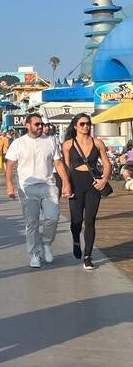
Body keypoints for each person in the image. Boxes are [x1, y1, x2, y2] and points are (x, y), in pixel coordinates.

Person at [6, 114, 70, 268]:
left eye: (42, 124)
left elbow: (58, 163)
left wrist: (66, 183)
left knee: (52, 217)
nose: (41, 126)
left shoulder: (50, 141)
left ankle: (46, 243)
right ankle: (35, 253)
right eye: (37, 124)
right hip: (26, 187)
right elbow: (10, 165)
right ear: (27, 125)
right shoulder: (18, 143)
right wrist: (9, 184)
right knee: (32, 222)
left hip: (48, 185)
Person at [61, 112, 111, 270]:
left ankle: (88, 256)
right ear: (75, 126)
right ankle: (76, 241)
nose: (85, 126)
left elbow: (107, 164)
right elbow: (66, 167)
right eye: (82, 124)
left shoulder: (98, 143)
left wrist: (104, 180)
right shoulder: (68, 144)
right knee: (76, 220)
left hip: (93, 184)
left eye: (88, 123)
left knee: (90, 220)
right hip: (75, 184)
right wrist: (66, 185)